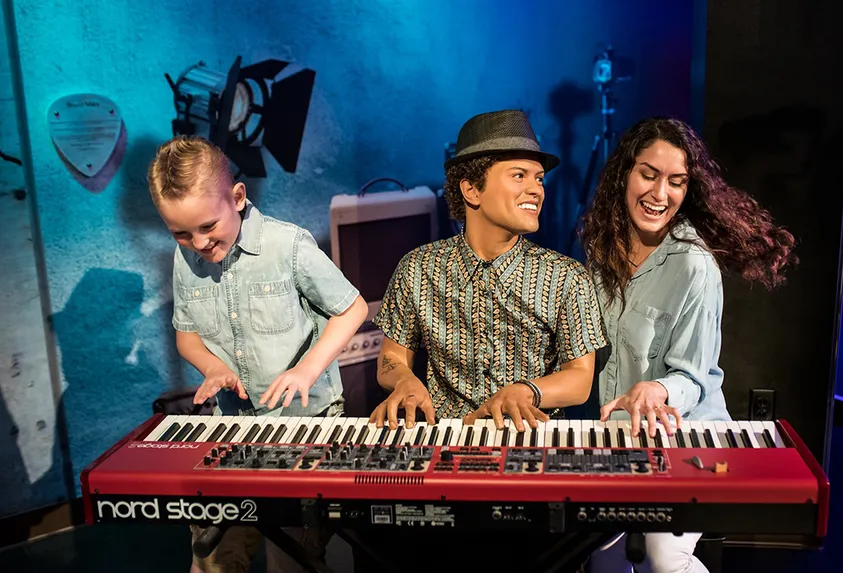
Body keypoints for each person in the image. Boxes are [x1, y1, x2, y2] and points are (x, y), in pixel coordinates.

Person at [356, 109, 608, 572]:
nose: (537, 188)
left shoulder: (567, 277)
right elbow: (390, 356)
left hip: (531, 467)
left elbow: (579, 380)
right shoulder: (418, 268)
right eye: (519, 175)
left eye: (538, 177)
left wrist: (526, 391)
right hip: (439, 466)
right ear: (471, 189)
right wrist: (407, 383)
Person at [578, 117, 796, 573]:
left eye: (676, 182)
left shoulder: (695, 265)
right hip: (621, 438)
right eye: (649, 174)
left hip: (689, 441)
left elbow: (693, 377)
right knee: (599, 556)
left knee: (662, 555)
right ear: (625, 174)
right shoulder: (600, 250)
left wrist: (656, 390)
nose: (660, 194)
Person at [148, 135, 368, 573]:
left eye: (208, 226)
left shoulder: (287, 245)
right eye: (181, 233)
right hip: (233, 430)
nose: (198, 243)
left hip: (305, 427)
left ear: (238, 197)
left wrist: (306, 370)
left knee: (294, 555)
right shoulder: (184, 257)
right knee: (213, 558)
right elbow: (188, 338)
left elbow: (353, 308)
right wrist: (214, 369)